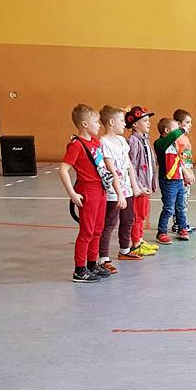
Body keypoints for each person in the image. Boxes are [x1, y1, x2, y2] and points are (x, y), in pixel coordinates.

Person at [59, 104, 124, 283]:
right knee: (86, 231)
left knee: (97, 229)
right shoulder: (76, 145)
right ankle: (80, 269)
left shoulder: (95, 142)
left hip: (101, 189)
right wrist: (72, 194)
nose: (99, 125)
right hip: (88, 191)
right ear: (85, 124)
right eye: (96, 122)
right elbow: (63, 169)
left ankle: (92, 263)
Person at [98, 105, 142, 273]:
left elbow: (128, 164)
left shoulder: (122, 141)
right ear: (111, 122)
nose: (125, 124)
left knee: (128, 218)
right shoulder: (104, 142)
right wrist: (119, 194)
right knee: (109, 223)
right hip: (113, 191)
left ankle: (124, 250)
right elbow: (111, 169)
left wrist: (134, 185)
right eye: (122, 121)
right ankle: (103, 258)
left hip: (126, 188)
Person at [126, 106, 158, 257]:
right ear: (134, 124)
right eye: (145, 121)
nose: (149, 123)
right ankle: (135, 244)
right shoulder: (133, 141)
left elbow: (150, 164)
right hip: (138, 188)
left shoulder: (145, 140)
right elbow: (131, 166)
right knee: (137, 215)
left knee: (143, 214)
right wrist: (137, 186)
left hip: (145, 186)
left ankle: (140, 239)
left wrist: (152, 183)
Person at [153, 118, 190, 243]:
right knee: (169, 208)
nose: (178, 132)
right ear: (167, 130)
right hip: (168, 181)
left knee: (180, 206)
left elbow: (178, 160)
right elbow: (174, 135)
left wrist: (185, 173)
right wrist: (183, 129)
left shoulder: (174, 144)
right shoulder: (160, 144)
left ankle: (182, 228)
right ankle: (161, 232)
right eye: (175, 129)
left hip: (178, 179)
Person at [171, 109, 196, 234]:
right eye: (187, 122)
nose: (190, 125)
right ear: (178, 124)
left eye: (190, 122)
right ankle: (179, 224)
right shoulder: (177, 140)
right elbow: (178, 159)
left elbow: (187, 158)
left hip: (187, 173)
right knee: (180, 201)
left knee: (184, 200)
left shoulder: (185, 138)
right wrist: (186, 173)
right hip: (181, 175)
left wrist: (191, 172)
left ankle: (182, 222)